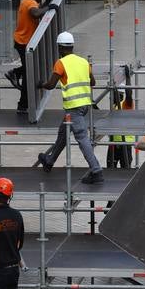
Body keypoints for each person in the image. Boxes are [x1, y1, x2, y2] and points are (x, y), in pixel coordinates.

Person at [37, 31, 104, 184]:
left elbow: (51, 84)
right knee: (63, 132)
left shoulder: (61, 63)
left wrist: (40, 84)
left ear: (60, 48)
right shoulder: (83, 62)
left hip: (74, 107)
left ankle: (96, 170)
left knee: (82, 138)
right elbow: (92, 83)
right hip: (84, 105)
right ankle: (50, 160)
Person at [5, 0, 50, 113]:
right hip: (24, 42)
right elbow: (35, 13)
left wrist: (46, 6)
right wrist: (49, 8)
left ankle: (15, 73)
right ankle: (22, 105)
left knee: (28, 71)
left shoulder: (28, 2)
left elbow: (36, 11)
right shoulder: (30, 3)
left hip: (24, 42)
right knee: (28, 74)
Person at [107, 64, 134, 169]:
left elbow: (129, 94)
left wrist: (127, 77)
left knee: (125, 171)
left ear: (120, 95)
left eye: (114, 94)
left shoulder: (126, 105)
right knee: (109, 169)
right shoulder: (113, 106)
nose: (112, 96)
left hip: (125, 144)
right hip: (113, 143)